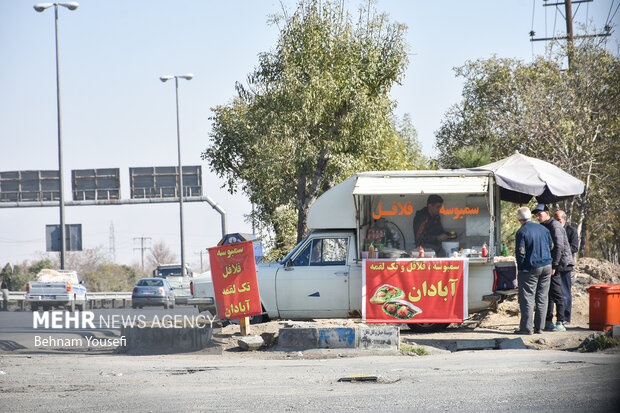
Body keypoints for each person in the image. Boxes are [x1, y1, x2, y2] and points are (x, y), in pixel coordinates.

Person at [532, 204, 574, 332]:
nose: (537, 217)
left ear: (547, 214)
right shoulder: (543, 226)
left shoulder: (554, 225)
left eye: (539, 214)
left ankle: (561, 322)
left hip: (560, 263)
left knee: (557, 292)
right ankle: (548, 321)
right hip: (549, 263)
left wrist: (554, 266)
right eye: (536, 215)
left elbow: (559, 247)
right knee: (548, 293)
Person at [515, 206, 553, 335]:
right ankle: (540, 328)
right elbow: (551, 245)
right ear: (530, 217)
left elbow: (521, 253)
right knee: (542, 297)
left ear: (519, 219)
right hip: (547, 265)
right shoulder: (543, 229)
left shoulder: (522, 232)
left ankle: (526, 328)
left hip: (530, 267)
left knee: (527, 298)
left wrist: (520, 268)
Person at [554, 210, 579, 324]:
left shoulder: (571, 231)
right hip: (555, 265)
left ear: (564, 219)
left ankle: (566, 317)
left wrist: (562, 250)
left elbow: (575, 247)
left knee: (565, 292)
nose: (557, 222)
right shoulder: (553, 230)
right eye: (556, 220)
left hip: (565, 266)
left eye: (559, 220)